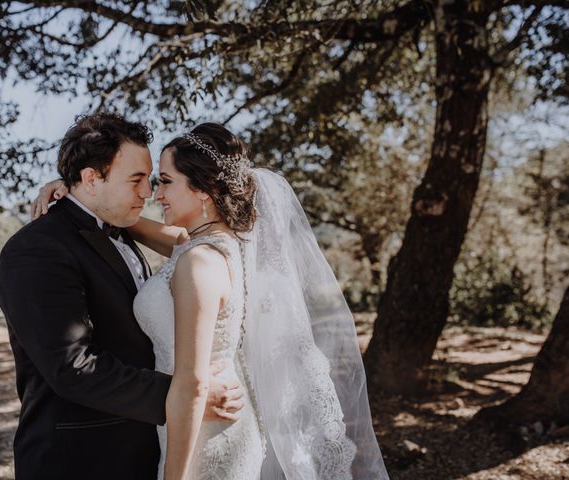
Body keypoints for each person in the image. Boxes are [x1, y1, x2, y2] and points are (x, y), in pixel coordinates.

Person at [34, 121, 389, 479]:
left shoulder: (198, 263)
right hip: (216, 424)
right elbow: (154, 231)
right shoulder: (222, 245)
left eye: (166, 181)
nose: (155, 194)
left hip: (202, 436)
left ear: (204, 191)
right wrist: (82, 193)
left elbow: (192, 385)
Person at [0, 113, 244, 480]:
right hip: (82, 460)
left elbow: (190, 243)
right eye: (137, 180)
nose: (149, 193)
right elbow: (74, 367)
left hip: (144, 448)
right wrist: (187, 395)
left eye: (153, 179)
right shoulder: (36, 249)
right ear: (92, 178)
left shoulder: (123, 228)